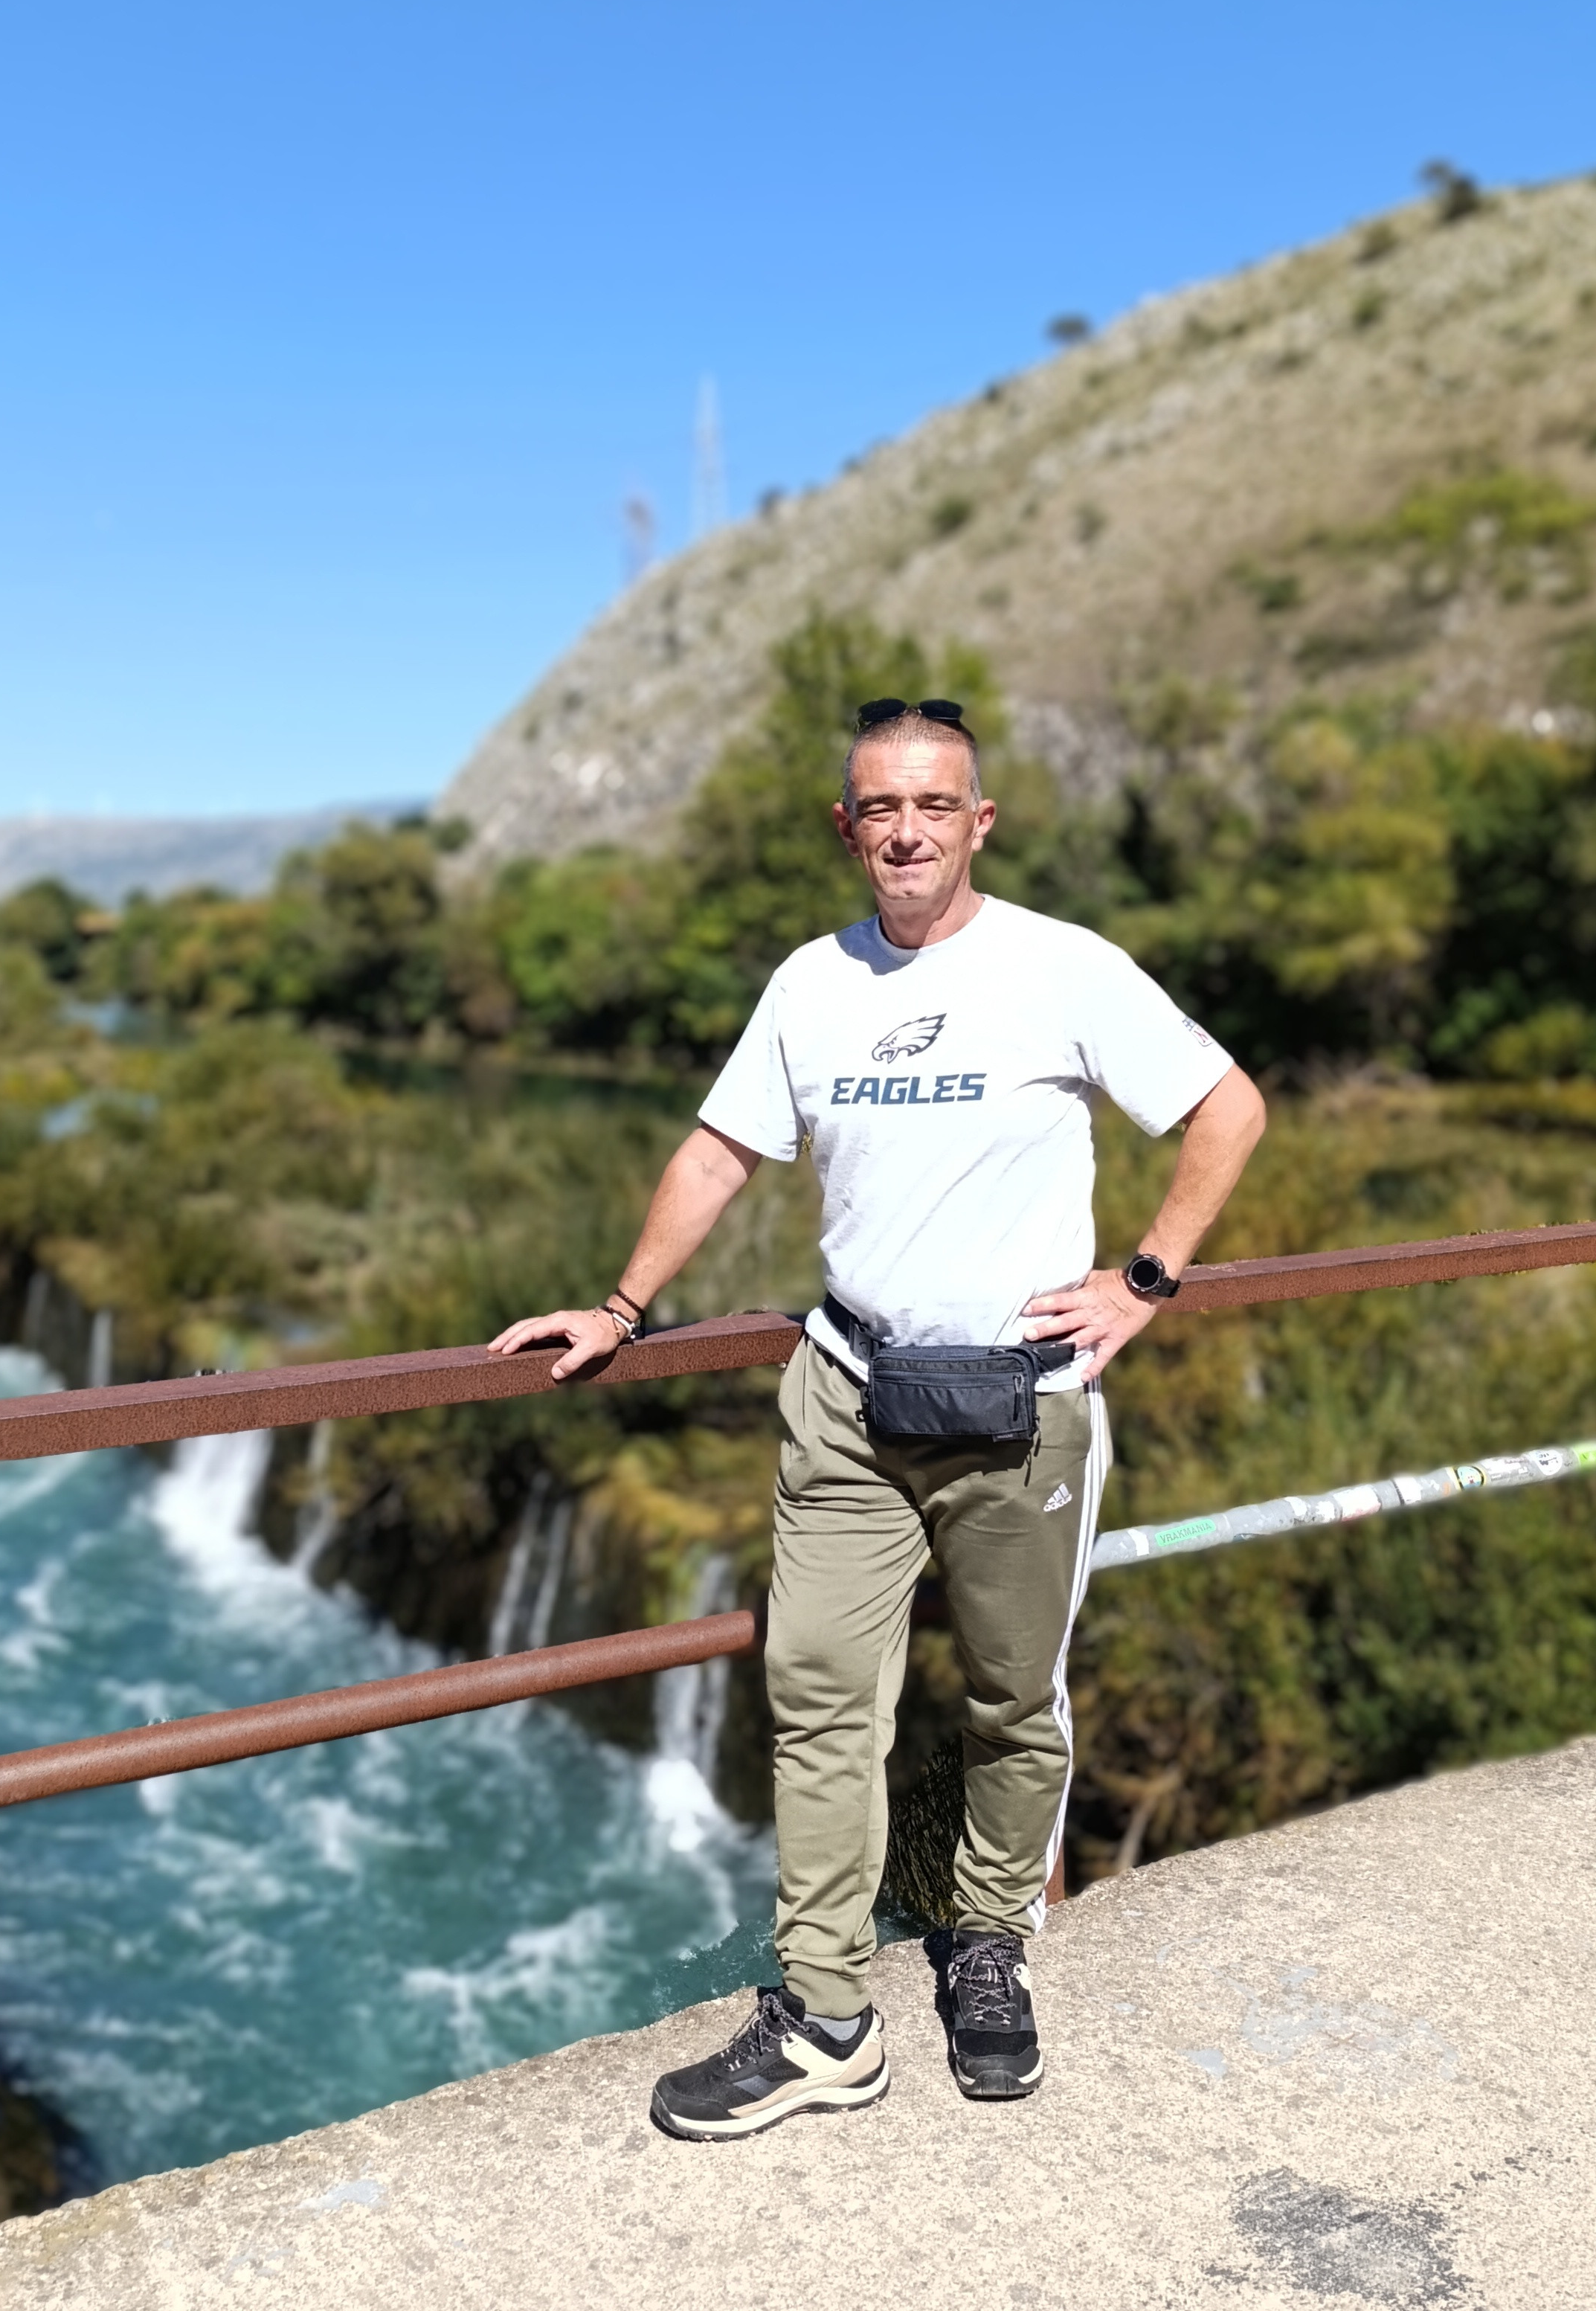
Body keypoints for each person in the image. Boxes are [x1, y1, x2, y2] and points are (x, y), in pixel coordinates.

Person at [489, 695, 1266, 2138]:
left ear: (980, 822)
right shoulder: (811, 982)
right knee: (822, 1700)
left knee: (1012, 1701)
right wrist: (619, 1307)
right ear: (848, 828)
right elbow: (718, 1154)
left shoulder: (1065, 966)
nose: (908, 831)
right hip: (847, 1398)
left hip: (1023, 1410)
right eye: (881, 809)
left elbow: (1229, 1109)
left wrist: (1148, 1279)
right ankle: (828, 2019)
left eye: (935, 805)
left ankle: (991, 1946)